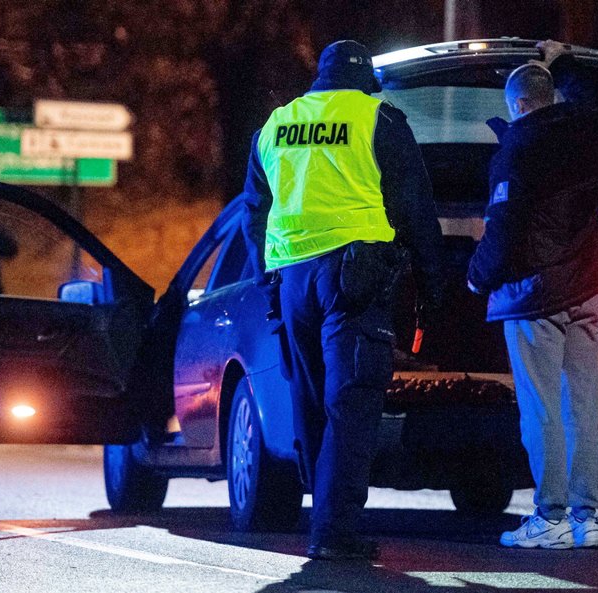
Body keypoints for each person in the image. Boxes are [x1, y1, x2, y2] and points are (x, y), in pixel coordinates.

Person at [242, 40, 443, 561]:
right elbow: (415, 208)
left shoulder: (276, 123)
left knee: (312, 403)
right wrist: (432, 288)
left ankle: (323, 513)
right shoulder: (378, 116)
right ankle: (334, 532)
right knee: (351, 405)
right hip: (355, 281)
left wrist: (270, 279)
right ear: (364, 79)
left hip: (293, 282)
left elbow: (254, 212)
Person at [467, 40, 598, 549]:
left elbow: (503, 229)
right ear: (551, 96)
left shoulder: (517, 147)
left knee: (542, 411)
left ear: (517, 106)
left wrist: (477, 276)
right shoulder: (589, 127)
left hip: (537, 297)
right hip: (591, 287)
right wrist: (567, 61)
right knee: (582, 408)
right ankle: (587, 518)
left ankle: (550, 516)